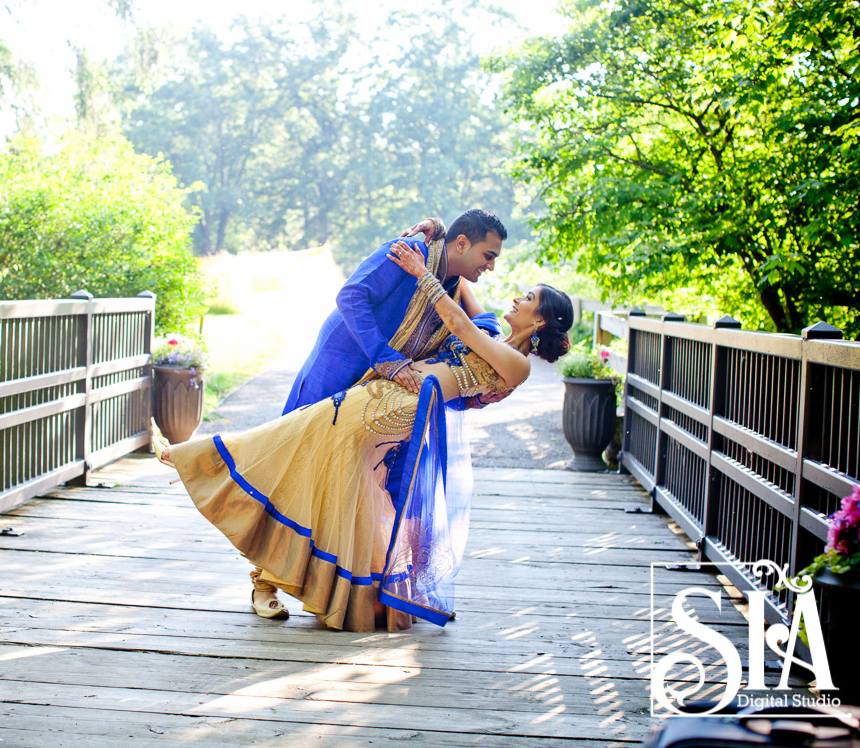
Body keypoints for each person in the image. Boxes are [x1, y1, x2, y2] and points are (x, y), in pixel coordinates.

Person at [156, 239, 574, 632]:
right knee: (325, 469)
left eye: (529, 299)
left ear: (539, 319)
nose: (518, 297)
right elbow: (461, 283)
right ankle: (345, 592)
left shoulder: (517, 365)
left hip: (394, 409)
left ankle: (200, 458)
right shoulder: (497, 337)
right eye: (489, 257)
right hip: (386, 395)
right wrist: (436, 234)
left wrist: (418, 271)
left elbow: (459, 322)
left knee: (296, 441)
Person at [283, 208, 507, 415]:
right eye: (488, 256)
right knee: (301, 440)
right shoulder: (407, 253)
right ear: (461, 244)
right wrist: (388, 359)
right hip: (341, 360)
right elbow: (351, 297)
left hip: (382, 390)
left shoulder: (452, 295)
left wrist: (475, 398)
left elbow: (439, 362)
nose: (491, 267)